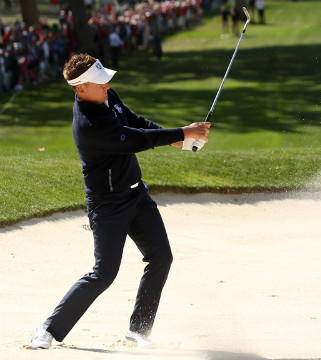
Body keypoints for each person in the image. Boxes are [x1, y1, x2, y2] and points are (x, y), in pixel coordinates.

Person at [28, 53, 211, 350]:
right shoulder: (90, 124)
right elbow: (132, 138)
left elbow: (135, 121)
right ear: (80, 88)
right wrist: (182, 132)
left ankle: (138, 330)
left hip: (137, 195)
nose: (107, 84)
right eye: (99, 82)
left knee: (161, 257)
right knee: (104, 273)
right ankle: (48, 328)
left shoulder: (107, 95)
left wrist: (180, 141)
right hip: (108, 204)